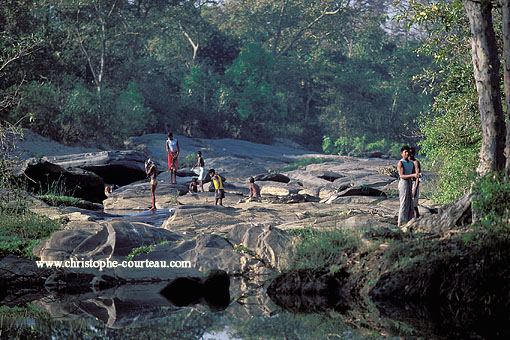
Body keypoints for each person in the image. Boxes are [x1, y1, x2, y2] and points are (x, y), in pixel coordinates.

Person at [397, 146, 421, 227]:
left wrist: (416, 176)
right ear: (402, 153)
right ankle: (399, 223)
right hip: (403, 183)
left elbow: (416, 173)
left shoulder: (411, 163)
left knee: (410, 203)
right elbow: (402, 176)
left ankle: (409, 222)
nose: (407, 154)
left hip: (410, 183)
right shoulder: (401, 163)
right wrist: (413, 175)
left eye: (408, 152)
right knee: (403, 203)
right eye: (405, 152)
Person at [409, 146, 422, 219]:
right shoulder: (409, 162)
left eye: (411, 154)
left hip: (414, 184)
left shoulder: (415, 163)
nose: (409, 156)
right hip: (409, 183)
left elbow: (418, 177)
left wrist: (415, 189)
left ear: (413, 154)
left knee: (414, 205)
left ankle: (416, 219)